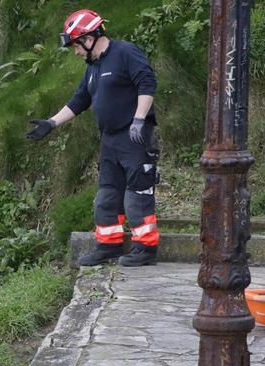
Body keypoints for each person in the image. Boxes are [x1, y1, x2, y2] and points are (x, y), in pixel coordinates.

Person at [26, 8, 160, 267]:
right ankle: (109, 246)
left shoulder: (125, 53)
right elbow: (80, 100)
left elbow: (147, 83)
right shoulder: (93, 68)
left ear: (89, 38)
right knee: (107, 195)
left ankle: (145, 249)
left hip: (134, 137)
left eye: (77, 45)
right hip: (109, 140)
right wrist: (51, 123)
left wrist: (139, 119)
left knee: (137, 194)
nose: (76, 52)